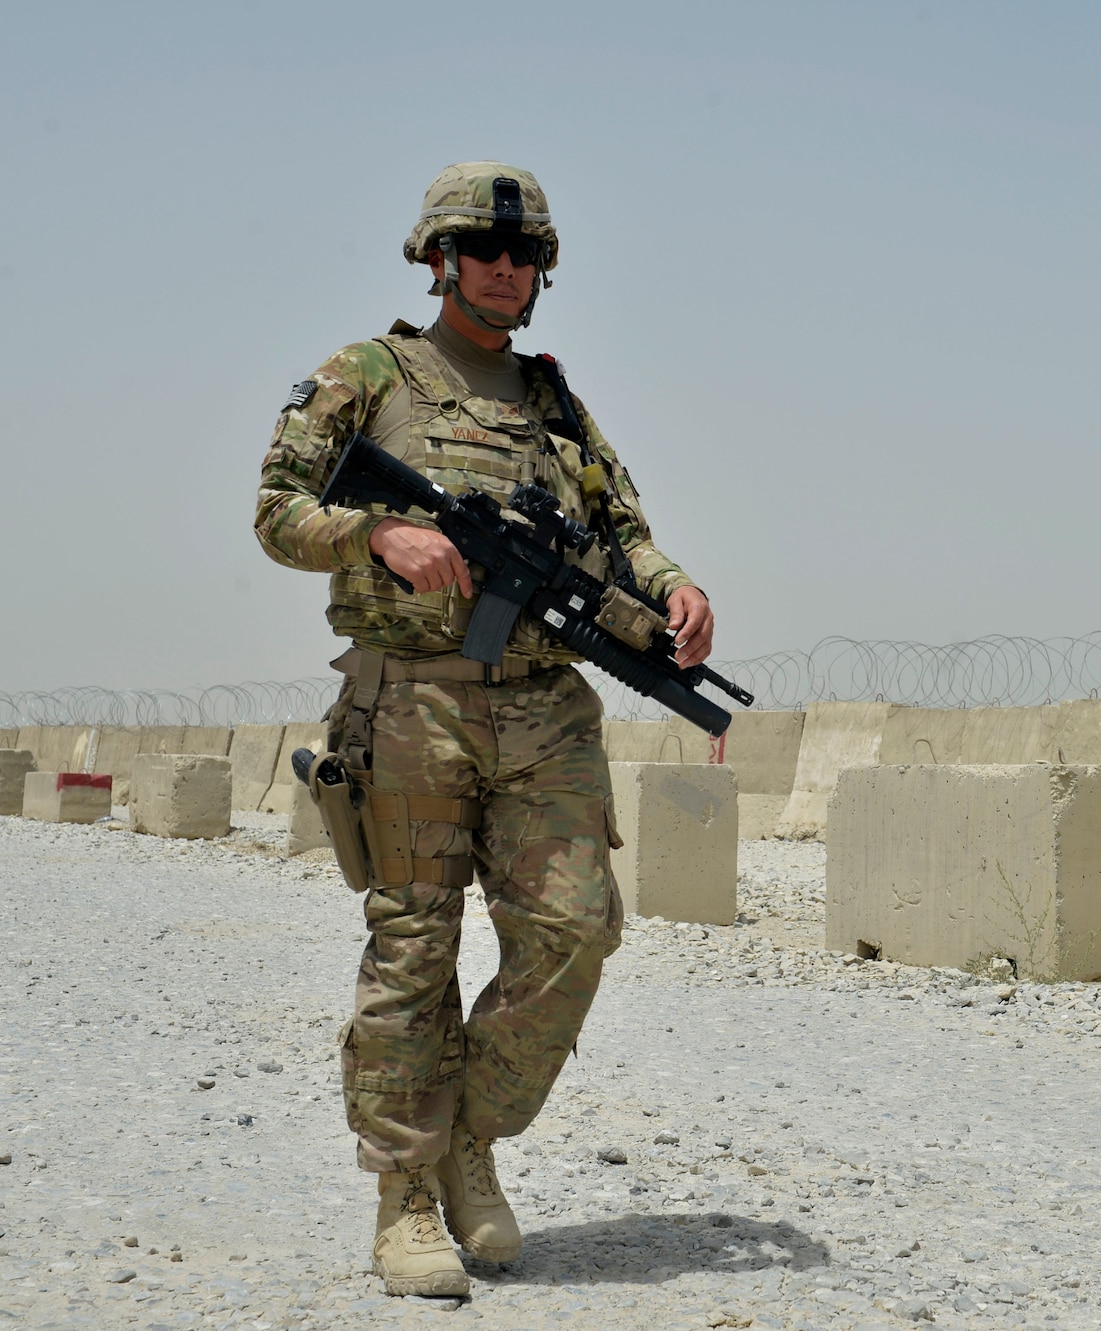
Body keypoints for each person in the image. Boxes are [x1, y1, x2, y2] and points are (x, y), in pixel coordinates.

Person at [254, 162, 714, 1296]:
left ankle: (468, 1137)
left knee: (574, 929)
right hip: (409, 696)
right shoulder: (368, 373)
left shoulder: (554, 402)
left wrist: (674, 588)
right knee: (414, 941)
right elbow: (276, 509)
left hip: (543, 705)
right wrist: (374, 535)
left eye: (522, 257)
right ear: (438, 259)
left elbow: (621, 528)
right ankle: (406, 1194)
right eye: (483, 251)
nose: (504, 270)